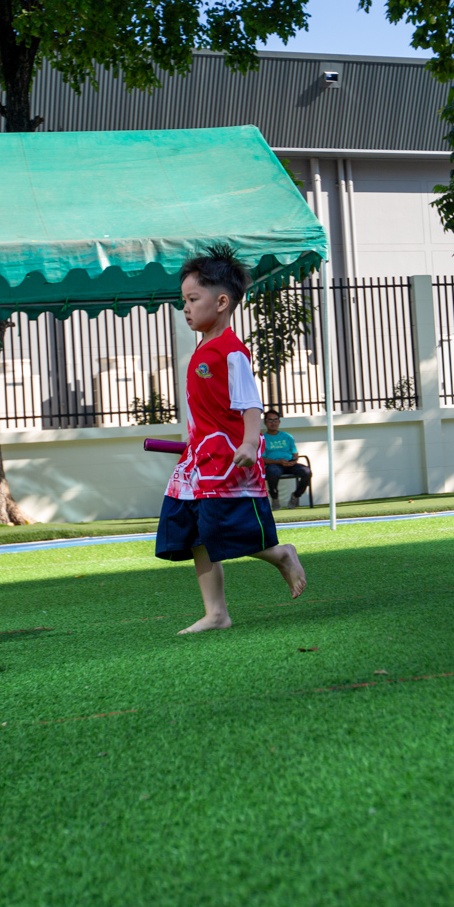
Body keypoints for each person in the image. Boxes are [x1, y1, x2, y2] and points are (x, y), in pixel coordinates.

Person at [157, 247, 307, 634]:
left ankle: (280, 555)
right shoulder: (202, 349)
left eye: (193, 299)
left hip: (228, 459)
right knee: (193, 531)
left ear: (222, 302)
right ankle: (216, 613)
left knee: (223, 528)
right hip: (200, 458)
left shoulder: (231, 352)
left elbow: (250, 404)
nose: (186, 308)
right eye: (184, 300)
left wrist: (250, 443)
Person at [260, 409, 311, 507]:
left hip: (289, 463)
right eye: (270, 420)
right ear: (265, 422)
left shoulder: (287, 436)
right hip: (274, 465)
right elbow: (262, 459)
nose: (273, 423)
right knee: (272, 472)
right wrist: (278, 462)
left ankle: (296, 495)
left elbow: (295, 453)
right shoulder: (262, 438)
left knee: (306, 472)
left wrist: (294, 460)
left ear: (279, 422)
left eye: (275, 420)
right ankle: (274, 497)